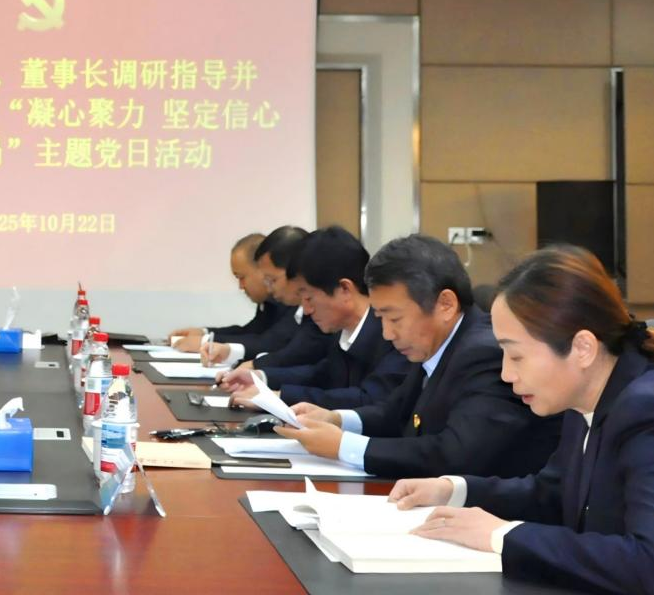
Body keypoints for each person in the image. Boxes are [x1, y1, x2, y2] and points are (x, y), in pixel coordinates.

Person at [391, 246, 654, 594]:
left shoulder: (644, 410)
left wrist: (502, 534)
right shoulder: (586, 396)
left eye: (516, 356)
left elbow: (646, 563)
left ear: (582, 348)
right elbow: (553, 494)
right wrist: (455, 490)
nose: (506, 374)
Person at [275, 234, 560, 479]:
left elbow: (454, 453)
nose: (387, 333)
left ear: (445, 304)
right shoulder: (437, 344)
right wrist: (335, 419)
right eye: (381, 318)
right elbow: (394, 413)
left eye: (395, 319)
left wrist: (343, 446)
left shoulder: (483, 354)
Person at [216, 226, 409, 409]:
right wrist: (260, 377)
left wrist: (279, 397)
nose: (306, 310)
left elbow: (368, 398)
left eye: (308, 298)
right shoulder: (342, 331)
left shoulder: (392, 335)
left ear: (344, 289)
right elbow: (321, 374)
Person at [195, 226, 315, 365]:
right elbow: (254, 332)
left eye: (272, 279)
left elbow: (273, 343)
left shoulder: (295, 304)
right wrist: (207, 335)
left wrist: (255, 367)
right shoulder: (281, 301)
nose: (269, 286)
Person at [168, 233, 290, 351]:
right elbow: (251, 331)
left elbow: (269, 342)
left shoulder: (290, 299)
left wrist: (206, 341)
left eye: (241, 277)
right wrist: (204, 333)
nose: (241, 286)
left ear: (263, 268)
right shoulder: (268, 301)